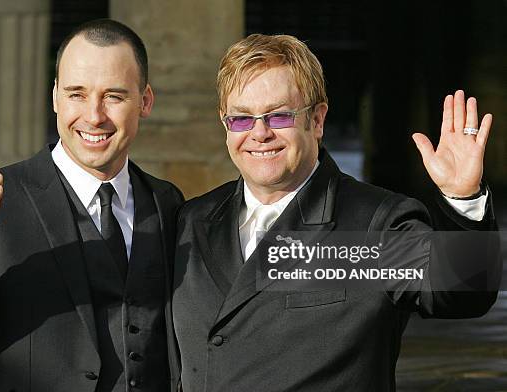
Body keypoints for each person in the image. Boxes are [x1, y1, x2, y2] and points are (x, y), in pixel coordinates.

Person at [172, 34, 501, 391]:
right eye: (241, 119)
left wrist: (461, 196)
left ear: (317, 120)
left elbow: (460, 294)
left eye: (279, 116)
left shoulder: (374, 224)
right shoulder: (192, 221)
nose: (259, 133)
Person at [0, 19, 183, 392]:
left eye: (113, 96)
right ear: (54, 97)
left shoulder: (167, 203)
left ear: (145, 101)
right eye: (76, 94)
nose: (94, 115)